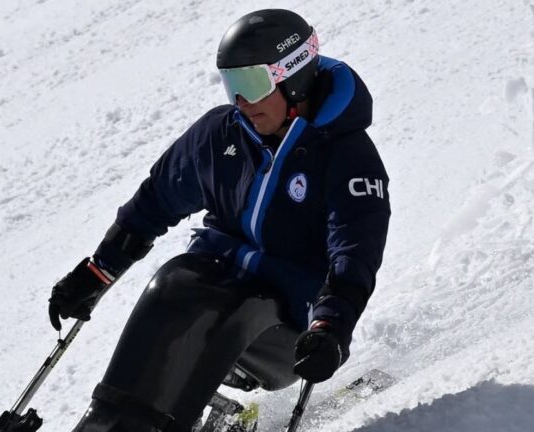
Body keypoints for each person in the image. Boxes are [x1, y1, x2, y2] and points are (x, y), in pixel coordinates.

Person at [48, 8, 390, 432]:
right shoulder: (221, 134)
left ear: (294, 76)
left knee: (227, 308)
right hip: (211, 281)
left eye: (251, 84)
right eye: (232, 85)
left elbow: (353, 252)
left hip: (289, 322)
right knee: (173, 283)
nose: (241, 102)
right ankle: (108, 422)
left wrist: (330, 327)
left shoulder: (347, 156)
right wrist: (97, 274)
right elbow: (155, 201)